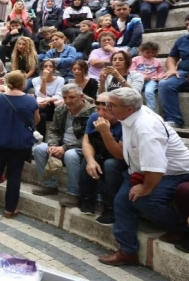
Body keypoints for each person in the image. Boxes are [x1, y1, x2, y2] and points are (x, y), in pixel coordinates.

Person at [98, 88, 189, 267]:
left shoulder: (146, 128)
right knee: (122, 202)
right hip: (143, 170)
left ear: (129, 109)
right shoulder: (127, 117)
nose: (107, 108)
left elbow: (156, 167)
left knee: (144, 200)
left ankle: (180, 230)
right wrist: (105, 133)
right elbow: (120, 154)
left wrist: (145, 188)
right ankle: (128, 252)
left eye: (111, 105)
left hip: (174, 172)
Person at [0, 70, 40, 218]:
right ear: (23, 83)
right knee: (14, 175)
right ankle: (10, 209)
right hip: (20, 143)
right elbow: (36, 120)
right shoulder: (31, 100)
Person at [32, 84, 96, 207]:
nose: (67, 101)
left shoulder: (92, 112)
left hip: (82, 147)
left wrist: (65, 148)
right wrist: (52, 144)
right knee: (39, 149)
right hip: (61, 144)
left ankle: (73, 193)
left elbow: (88, 138)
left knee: (71, 155)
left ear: (81, 96)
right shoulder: (61, 109)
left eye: (71, 97)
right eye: (65, 98)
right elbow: (53, 130)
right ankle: (49, 185)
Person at [78, 92, 127, 224]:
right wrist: (91, 161)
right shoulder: (94, 117)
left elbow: (119, 155)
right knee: (87, 159)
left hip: (122, 159)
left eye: (104, 110)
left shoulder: (124, 122)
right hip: (101, 152)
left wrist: (106, 133)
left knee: (110, 164)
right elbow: (87, 142)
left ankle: (111, 208)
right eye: (97, 109)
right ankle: (87, 200)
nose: (100, 114)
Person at [158, 15, 189, 127]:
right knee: (165, 83)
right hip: (184, 72)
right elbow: (172, 57)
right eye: (187, 25)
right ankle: (174, 120)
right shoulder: (182, 40)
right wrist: (171, 68)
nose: (188, 27)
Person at [33, 59, 65, 138]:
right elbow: (41, 95)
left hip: (54, 105)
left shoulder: (60, 80)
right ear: (42, 69)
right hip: (41, 106)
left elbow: (58, 96)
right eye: (45, 66)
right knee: (42, 116)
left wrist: (48, 100)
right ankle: (41, 138)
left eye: (50, 66)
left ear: (54, 69)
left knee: (41, 111)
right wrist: (44, 79)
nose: (48, 68)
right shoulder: (36, 80)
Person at [130, 41, 164, 111]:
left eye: (153, 52)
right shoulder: (136, 59)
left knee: (149, 92)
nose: (150, 54)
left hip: (152, 80)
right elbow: (132, 70)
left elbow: (161, 72)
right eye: (148, 52)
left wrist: (159, 77)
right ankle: (137, 109)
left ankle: (151, 111)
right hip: (138, 80)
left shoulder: (157, 61)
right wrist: (141, 76)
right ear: (142, 51)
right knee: (135, 92)